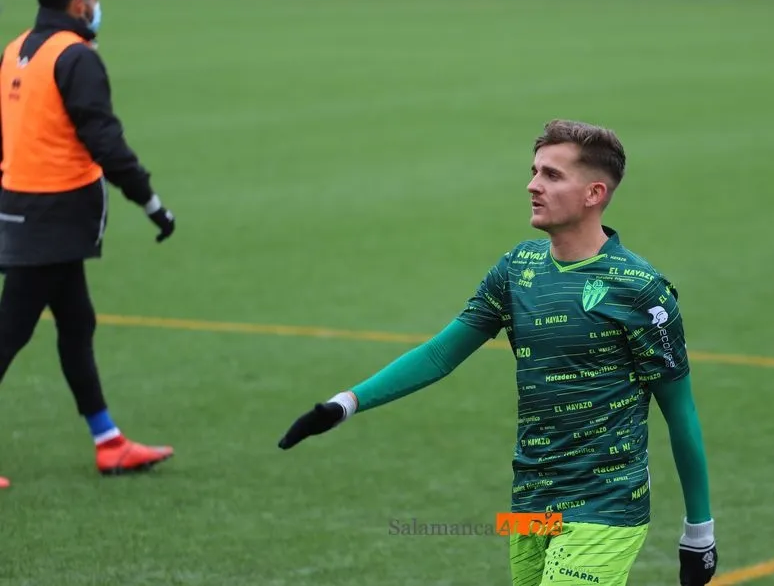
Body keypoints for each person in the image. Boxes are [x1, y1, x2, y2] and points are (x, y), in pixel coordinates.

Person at [278, 119, 719, 585]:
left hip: (607, 506)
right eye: (534, 171)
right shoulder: (517, 269)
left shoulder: (639, 290)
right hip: (530, 500)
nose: (533, 185)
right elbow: (440, 354)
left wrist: (699, 533)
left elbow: (680, 413)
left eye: (552, 175)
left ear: (594, 193)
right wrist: (345, 404)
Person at [0, 0, 177, 489]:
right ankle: (109, 442)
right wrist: (150, 201)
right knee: (10, 331)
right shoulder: (76, 57)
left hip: (24, 206)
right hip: (53, 214)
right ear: (80, 3)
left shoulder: (16, 49)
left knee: (76, 323)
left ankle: (109, 442)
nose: (97, 7)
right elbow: (104, 140)